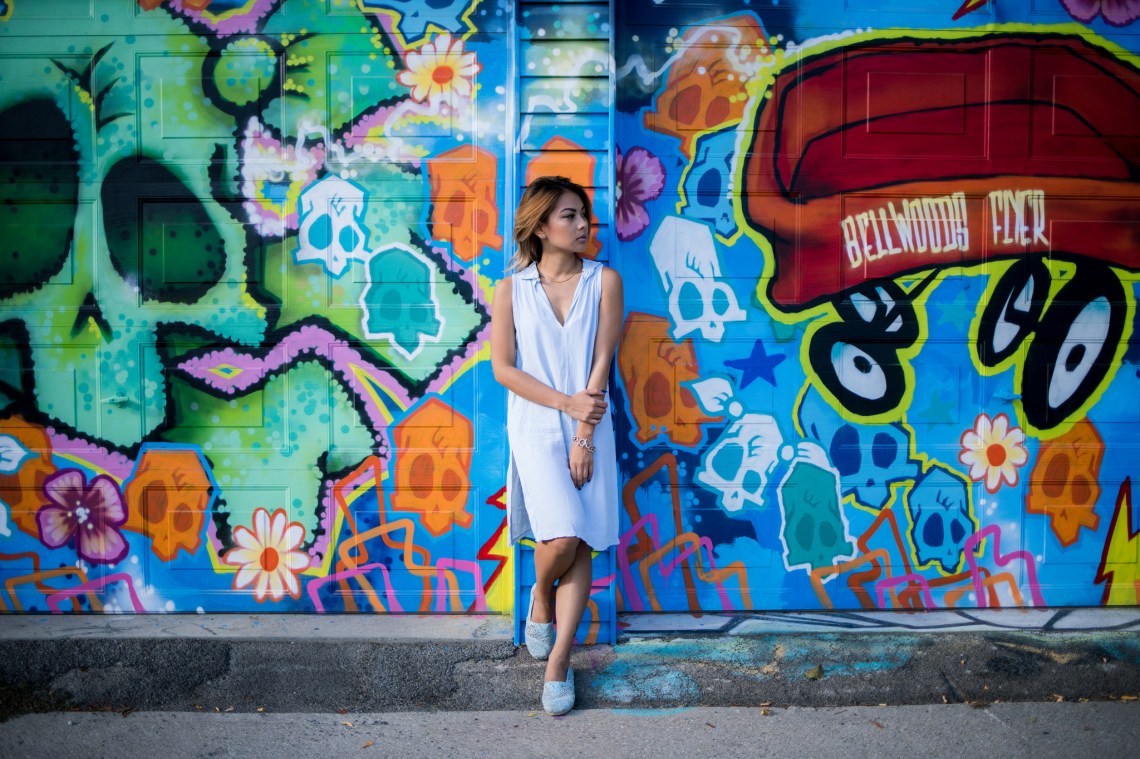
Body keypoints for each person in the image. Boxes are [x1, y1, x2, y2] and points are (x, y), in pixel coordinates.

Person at [490, 176, 623, 716]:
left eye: (584, 215)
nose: (583, 224)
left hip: (590, 423)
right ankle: (540, 594)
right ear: (540, 225)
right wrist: (565, 409)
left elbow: (601, 362)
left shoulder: (604, 281)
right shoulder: (511, 289)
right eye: (569, 215)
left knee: (584, 540)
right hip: (535, 427)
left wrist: (584, 431)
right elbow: (504, 369)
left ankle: (559, 663)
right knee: (563, 535)